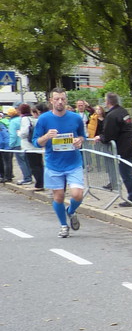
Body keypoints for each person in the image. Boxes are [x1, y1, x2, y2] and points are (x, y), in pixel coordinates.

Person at [32, 90, 88, 238]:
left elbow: (83, 135)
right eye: (57, 99)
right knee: (59, 197)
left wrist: (79, 140)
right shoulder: (44, 119)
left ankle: (70, 211)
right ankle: (64, 226)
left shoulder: (75, 118)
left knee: (77, 195)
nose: (60, 102)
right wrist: (46, 136)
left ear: (66, 100)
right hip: (53, 164)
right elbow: (35, 142)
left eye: (62, 99)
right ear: (51, 101)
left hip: (73, 162)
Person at [97, 92, 132, 205]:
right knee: (127, 173)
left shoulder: (112, 116)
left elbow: (109, 135)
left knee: (126, 173)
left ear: (107, 102)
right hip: (129, 144)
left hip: (123, 147)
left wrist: (101, 137)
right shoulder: (122, 111)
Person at [17, 104, 43, 188]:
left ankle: (39, 184)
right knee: (39, 165)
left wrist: (19, 133)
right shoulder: (34, 118)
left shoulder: (25, 119)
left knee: (34, 166)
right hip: (36, 145)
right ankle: (41, 182)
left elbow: (25, 132)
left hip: (28, 146)